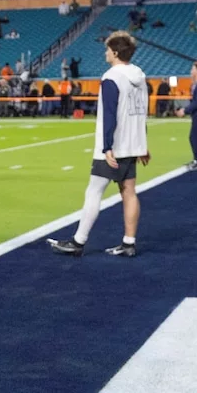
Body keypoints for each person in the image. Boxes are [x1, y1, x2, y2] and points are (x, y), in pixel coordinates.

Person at [48, 31, 149, 258]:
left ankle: (78, 241)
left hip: (115, 146)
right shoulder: (141, 78)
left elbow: (110, 115)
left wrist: (106, 146)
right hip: (133, 143)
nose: (105, 53)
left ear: (114, 52)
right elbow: (142, 112)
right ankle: (129, 243)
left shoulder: (112, 77)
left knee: (94, 191)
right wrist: (143, 143)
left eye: (107, 50)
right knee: (129, 191)